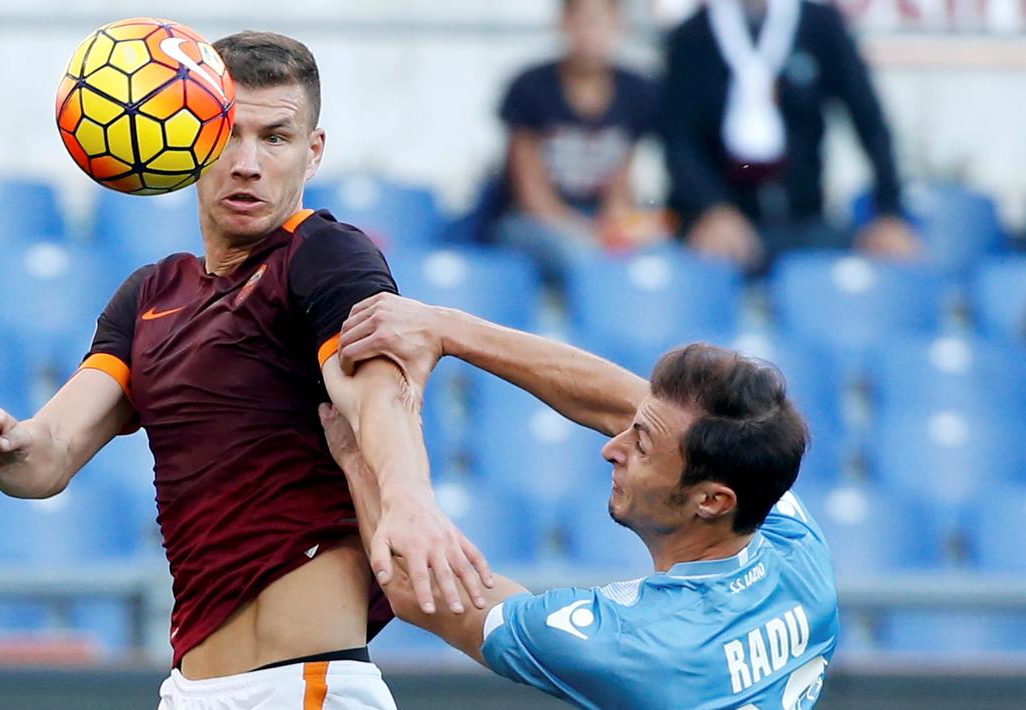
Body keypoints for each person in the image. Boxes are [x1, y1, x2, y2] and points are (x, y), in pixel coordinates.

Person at [0, 31, 492, 709]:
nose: (248, 164)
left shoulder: (324, 256)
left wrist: (407, 497)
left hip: (306, 686)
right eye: (228, 135)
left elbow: (376, 394)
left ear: (313, 151)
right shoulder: (150, 294)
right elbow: (49, 457)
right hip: (190, 692)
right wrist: (7, 450)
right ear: (190, 139)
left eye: (276, 138)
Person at [319, 292, 839, 709]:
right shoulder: (795, 547)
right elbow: (626, 406)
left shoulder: (634, 644)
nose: (612, 447)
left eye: (640, 446)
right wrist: (444, 329)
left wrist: (360, 451)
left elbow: (416, 586)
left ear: (711, 501)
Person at [664, 0, 919, 271]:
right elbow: (678, 139)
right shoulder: (693, 35)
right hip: (726, 227)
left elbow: (870, 123)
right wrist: (713, 208)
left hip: (807, 221)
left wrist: (890, 213)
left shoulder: (820, 25)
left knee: (874, 262)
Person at [488, 0, 660, 290]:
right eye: (583, 22)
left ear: (619, 26)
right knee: (580, 255)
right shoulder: (530, 87)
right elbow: (531, 193)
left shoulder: (637, 91)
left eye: (600, 22)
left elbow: (621, 181)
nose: (591, 34)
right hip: (532, 221)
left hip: (595, 219)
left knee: (655, 253)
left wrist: (621, 226)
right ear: (564, 24)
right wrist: (589, 233)